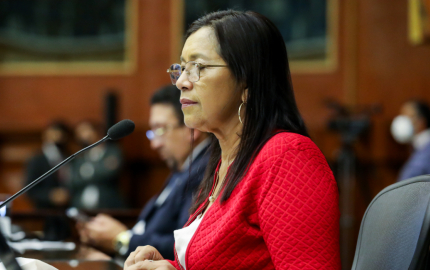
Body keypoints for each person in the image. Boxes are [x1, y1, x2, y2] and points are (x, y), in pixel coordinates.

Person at [124, 10, 340, 270]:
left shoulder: (288, 157)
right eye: (182, 68)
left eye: (198, 68)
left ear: (247, 81)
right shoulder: (224, 164)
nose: (181, 81)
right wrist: (170, 265)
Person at [78, 85, 210, 260]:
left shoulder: (205, 169)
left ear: (191, 129)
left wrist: (121, 239)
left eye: (161, 130)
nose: (154, 144)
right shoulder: (183, 168)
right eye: (152, 132)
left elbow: (185, 245)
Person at [25, 121, 72, 240]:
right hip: (44, 216)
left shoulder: (70, 157)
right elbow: (30, 189)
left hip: (68, 215)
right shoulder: (37, 159)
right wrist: (51, 195)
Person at [69, 120, 126, 209]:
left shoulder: (112, 151)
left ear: (95, 131)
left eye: (85, 130)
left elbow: (110, 173)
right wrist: (100, 168)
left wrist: (86, 172)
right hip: (81, 207)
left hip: (108, 205)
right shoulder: (80, 155)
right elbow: (74, 180)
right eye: (79, 133)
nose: (82, 136)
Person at [391, 100, 430, 182]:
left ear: (421, 120)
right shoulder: (418, 148)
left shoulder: (426, 151)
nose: (401, 121)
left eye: (406, 117)